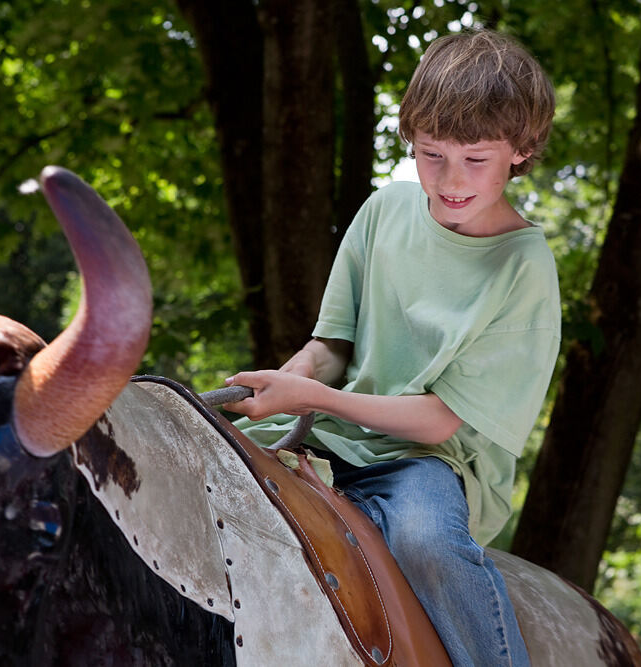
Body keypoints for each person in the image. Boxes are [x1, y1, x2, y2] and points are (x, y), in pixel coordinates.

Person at [224, 28, 559, 666]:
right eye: (432, 155)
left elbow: (438, 420)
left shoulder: (524, 268)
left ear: (522, 150)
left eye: (476, 159)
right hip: (326, 429)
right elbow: (330, 347)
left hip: (425, 464)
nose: (450, 180)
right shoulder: (384, 210)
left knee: (425, 542)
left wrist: (315, 397)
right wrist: (279, 389)